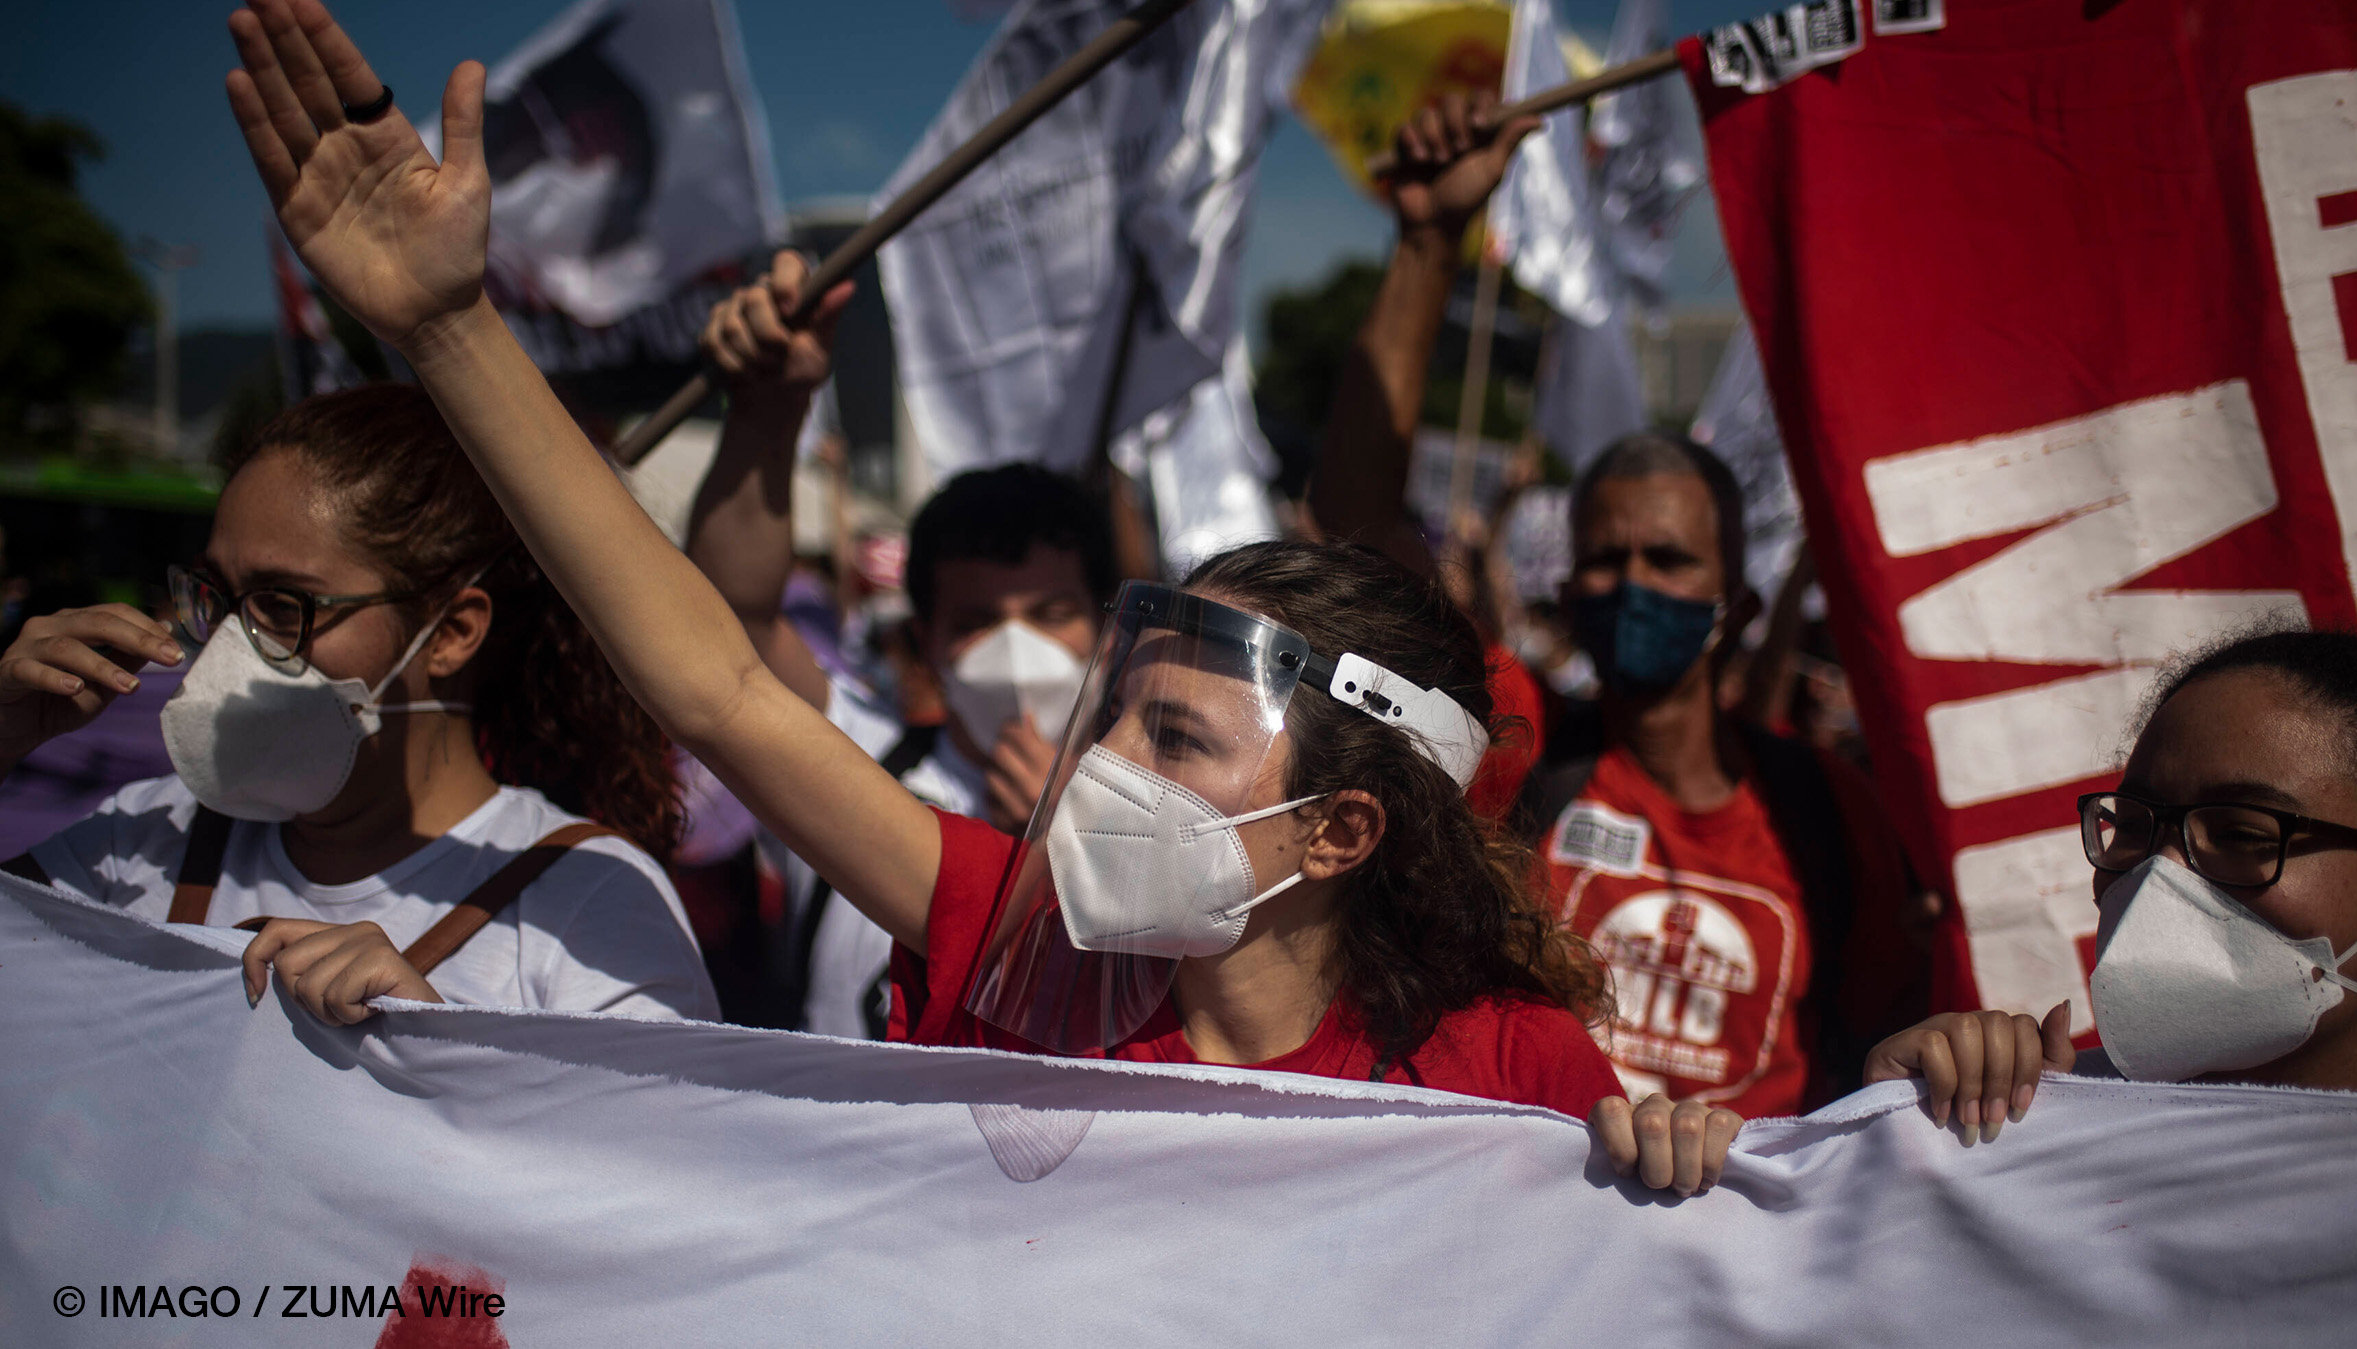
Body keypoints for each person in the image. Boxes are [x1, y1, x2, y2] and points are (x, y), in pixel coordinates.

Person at [216, 0, 1735, 1193]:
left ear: (1341, 832)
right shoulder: (1041, 962)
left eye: (1179, 742)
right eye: (1121, 720)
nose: (1100, 766)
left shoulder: (1512, 1066)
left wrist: (1776, 1148)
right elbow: (721, 691)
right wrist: (452, 328)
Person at [1309, 95, 1926, 1120]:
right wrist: (1427, 241)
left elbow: (1877, 1052)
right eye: (1605, 556)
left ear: (1738, 600)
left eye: (1668, 557)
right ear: (1565, 583)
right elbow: (1359, 532)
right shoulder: (1523, 742)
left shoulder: (1829, 811)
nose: (1630, 580)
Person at [0, 384, 717, 1027]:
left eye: (284, 605)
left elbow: (656, 1165)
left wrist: (438, 1052)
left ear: (452, 633)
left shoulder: (590, 905)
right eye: (214, 596)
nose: (228, 644)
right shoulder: (143, 839)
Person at [689, 259, 1115, 1035]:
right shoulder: (857, 765)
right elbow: (731, 620)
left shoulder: (1165, 821)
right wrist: (766, 413)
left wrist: (1081, 855)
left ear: (1109, 630)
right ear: (925, 639)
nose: (1018, 650)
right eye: (978, 621)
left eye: (1051, 614)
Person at [1866, 629, 2357, 1138]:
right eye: (2132, 823)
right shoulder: (1997, 1127)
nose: (2159, 871)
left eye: (2240, 833)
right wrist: (1900, 1136)